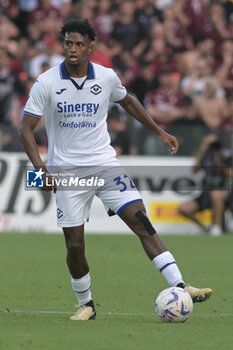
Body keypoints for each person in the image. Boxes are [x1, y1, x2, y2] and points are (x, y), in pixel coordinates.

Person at [19, 19, 213, 321]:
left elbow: (129, 103)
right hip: (67, 173)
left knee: (140, 220)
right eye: (68, 43)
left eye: (79, 44)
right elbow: (25, 129)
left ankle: (180, 285)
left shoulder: (106, 77)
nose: (73, 49)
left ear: (90, 47)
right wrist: (40, 169)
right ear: (63, 45)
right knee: (75, 244)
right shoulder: (46, 82)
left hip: (105, 163)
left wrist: (160, 132)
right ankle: (87, 304)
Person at [178, 133, 232, 236]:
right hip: (206, 193)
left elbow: (229, 174)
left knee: (216, 194)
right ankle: (205, 228)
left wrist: (219, 160)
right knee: (183, 209)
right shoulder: (206, 157)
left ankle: (217, 228)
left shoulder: (226, 156)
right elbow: (195, 170)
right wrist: (202, 151)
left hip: (225, 193)